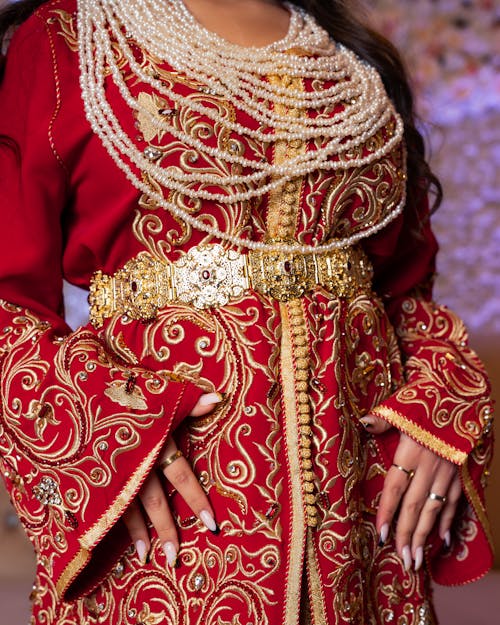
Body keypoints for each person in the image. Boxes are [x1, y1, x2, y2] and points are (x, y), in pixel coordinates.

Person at [0, 0, 494, 623]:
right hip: (172, 511)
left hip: (360, 521)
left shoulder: (352, 61)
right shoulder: (71, 38)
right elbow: (6, 300)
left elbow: (404, 297)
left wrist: (440, 405)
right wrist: (105, 434)